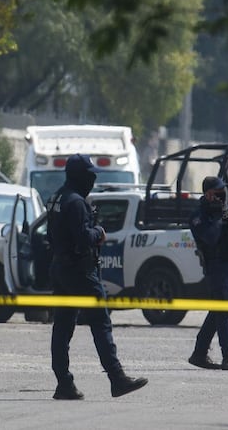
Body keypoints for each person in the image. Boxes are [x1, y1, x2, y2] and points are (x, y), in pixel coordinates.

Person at [47, 153, 148, 400]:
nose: (92, 179)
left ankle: (64, 383)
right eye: (89, 174)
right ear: (79, 176)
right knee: (101, 323)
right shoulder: (76, 202)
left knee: (62, 327)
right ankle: (117, 379)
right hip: (80, 272)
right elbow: (83, 239)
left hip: (61, 269)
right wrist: (99, 232)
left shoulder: (56, 198)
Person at [187, 176, 228, 371]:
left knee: (217, 312)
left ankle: (199, 353)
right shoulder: (199, 217)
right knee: (224, 311)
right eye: (217, 191)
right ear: (208, 194)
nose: (222, 194)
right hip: (216, 268)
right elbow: (210, 238)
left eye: (223, 190)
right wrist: (218, 216)